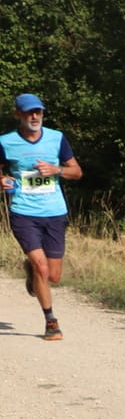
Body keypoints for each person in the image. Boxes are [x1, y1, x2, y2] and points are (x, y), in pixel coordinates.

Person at [1, 94, 81, 341]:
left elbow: (76, 172)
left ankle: (32, 272)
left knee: (53, 275)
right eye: (28, 112)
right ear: (18, 115)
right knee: (42, 266)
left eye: (38, 112)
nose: (34, 117)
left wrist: (56, 169)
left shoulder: (56, 139)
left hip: (55, 212)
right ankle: (51, 322)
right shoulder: (6, 142)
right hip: (24, 212)